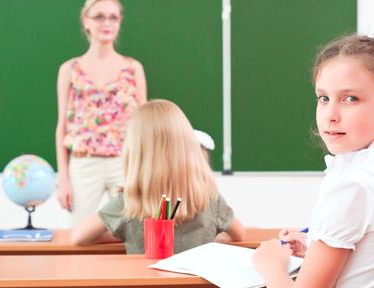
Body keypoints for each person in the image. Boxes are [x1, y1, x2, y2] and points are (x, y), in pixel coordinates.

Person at [252, 32, 374, 288]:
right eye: (323, 98)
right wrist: (320, 246)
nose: (330, 115)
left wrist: (271, 265)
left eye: (350, 99)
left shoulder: (352, 185)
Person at [71, 100, 245, 253]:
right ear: (188, 146)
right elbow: (239, 234)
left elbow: (79, 237)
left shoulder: (129, 203)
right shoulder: (209, 199)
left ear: (136, 153)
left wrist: (122, 233)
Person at [55, 0, 147, 227]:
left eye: (113, 17)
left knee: (130, 230)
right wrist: (63, 178)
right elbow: (62, 127)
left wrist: (145, 171)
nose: (107, 23)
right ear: (86, 21)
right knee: (78, 233)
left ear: (119, 22)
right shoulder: (70, 69)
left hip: (125, 162)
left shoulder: (133, 68)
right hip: (84, 163)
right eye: (99, 17)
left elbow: (145, 126)